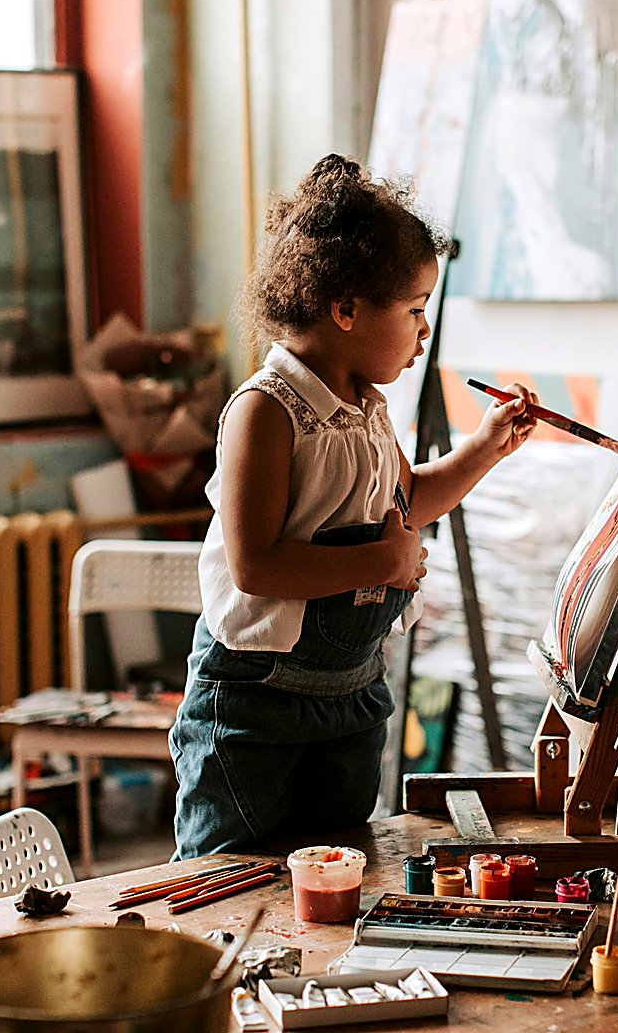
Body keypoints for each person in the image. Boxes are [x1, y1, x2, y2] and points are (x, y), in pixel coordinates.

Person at [171, 154, 538, 858]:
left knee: (337, 873)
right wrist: (386, 558)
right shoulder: (266, 412)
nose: (423, 332)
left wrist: (487, 447)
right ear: (345, 310)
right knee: (230, 880)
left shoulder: (367, 409)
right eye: (413, 311)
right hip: (257, 703)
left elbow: (411, 500)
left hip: (351, 696)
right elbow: (255, 566)